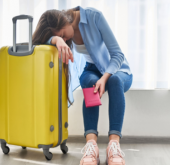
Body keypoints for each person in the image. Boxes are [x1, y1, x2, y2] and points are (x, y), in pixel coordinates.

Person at [32, 6, 133, 165]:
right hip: (92, 69)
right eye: (61, 39)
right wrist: (55, 39)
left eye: (63, 35)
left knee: (114, 81)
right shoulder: (61, 32)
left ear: (65, 20)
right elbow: (37, 44)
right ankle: (91, 146)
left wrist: (105, 78)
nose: (65, 40)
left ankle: (114, 145)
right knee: (88, 81)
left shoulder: (94, 17)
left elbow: (118, 55)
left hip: (117, 69)